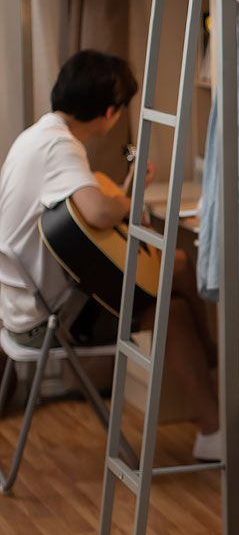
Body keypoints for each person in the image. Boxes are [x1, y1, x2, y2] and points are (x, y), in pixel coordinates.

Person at [0, 49, 221, 461]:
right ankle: (214, 407)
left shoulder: (37, 136)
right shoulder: (59, 146)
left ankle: (213, 387)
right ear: (109, 112)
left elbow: (82, 216)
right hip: (46, 319)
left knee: (173, 278)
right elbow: (99, 212)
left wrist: (128, 188)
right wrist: (127, 200)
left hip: (18, 310)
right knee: (173, 296)